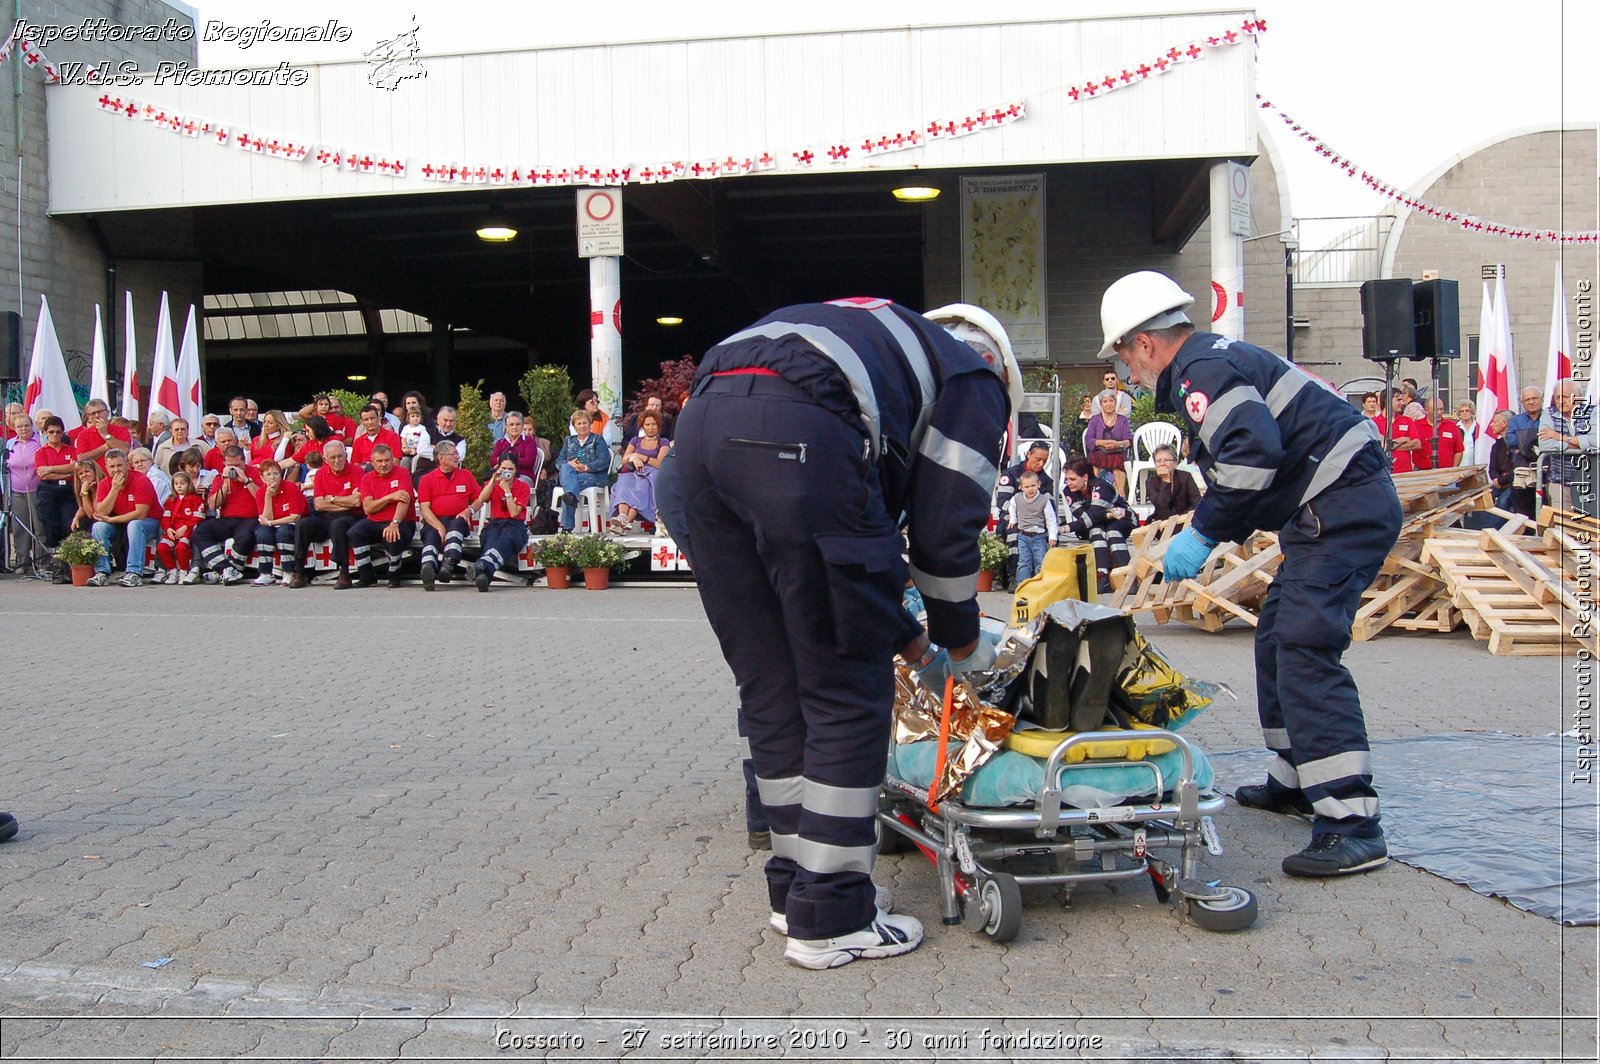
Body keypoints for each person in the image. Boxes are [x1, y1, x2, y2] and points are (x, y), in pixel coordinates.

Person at [663, 297, 1018, 970]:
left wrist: (912, 640)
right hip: (793, 438)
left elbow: (850, 555)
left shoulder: (877, 345)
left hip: (700, 436)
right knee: (847, 690)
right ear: (996, 367)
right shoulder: (972, 381)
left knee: (776, 686)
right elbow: (946, 537)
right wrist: (960, 644)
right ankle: (831, 917)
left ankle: (795, 892)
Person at [1098, 270, 1398, 877]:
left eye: (1126, 358)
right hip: (1336, 504)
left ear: (1145, 343)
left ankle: (1351, 821)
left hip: (1338, 509)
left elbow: (1250, 456)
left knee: (1305, 647)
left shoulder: (1197, 373)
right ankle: (1295, 779)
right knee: (1278, 633)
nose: (1131, 375)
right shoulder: (1215, 359)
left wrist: (1205, 531)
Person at [288, 438, 363, 589]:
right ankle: (299, 572)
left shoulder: (357, 471)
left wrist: (333, 499)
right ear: (325, 459)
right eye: (333, 457)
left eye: (340, 456)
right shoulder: (321, 474)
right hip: (324, 516)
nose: (337, 460)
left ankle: (344, 574)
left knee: (338, 524)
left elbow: (356, 502)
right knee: (303, 524)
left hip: (349, 517)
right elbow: (319, 504)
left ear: (345, 456)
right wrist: (344, 501)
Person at [89, 448, 161, 587]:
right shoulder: (105, 483)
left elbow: (140, 514)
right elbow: (100, 512)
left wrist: (112, 520)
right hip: (120, 523)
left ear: (128, 465)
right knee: (98, 527)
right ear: (106, 468)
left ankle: (134, 573)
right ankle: (102, 572)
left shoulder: (141, 480)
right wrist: (114, 490)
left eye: (119, 465)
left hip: (148, 522)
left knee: (134, 525)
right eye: (112, 466)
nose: (116, 470)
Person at [1060, 457, 1134, 593]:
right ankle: (1102, 576)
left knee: (1112, 532)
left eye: (1072, 479)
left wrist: (1064, 528)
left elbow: (1091, 517)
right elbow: (1084, 517)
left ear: (1085, 477)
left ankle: (1129, 577)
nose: (1068, 483)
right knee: (1096, 531)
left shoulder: (1102, 487)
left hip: (1122, 519)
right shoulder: (1068, 492)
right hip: (1100, 521)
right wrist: (1105, 515)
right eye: (1067, 479)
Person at [192, 445, 263, 585]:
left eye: (237, 465)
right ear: (224, 464)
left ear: (244, 461)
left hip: (250, 518)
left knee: (246, 535)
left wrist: (246, 480)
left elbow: (261, 497)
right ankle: (226, 569)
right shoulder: (220, 477)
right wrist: (225, 485)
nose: (234, 469)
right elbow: (212, 505)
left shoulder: (255, 472)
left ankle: (225, 572)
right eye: (230, 465)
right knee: (200, 531)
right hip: (227, 518)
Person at [347, 444, 414, 588]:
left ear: (392, 460)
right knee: (355, 532)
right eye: (379, 461)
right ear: (372, 463)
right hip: (374, 521)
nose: (384, 464)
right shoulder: (367, 478)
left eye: (387, 460)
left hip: (400, 521)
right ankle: (366, 575)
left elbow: (403, 501)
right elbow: (368, 508)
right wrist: (390, 497)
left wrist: (394, 522)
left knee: (393, 534)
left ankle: (394, 575)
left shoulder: (402, 473)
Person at [415, 439, 480, 590]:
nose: (458, 457)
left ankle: (448, 564)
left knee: (458, 523)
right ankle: (428, 570)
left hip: (457, 519)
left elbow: (479, 498)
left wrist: (468, 510)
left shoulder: (466, 475)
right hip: (434, 520)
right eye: (454, 454)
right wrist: (439, 526)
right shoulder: (427, 479)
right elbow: (424, 508)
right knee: (431, 535)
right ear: (441, 458)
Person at [993, 442, 1053, 591]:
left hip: (1037, 522)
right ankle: (1013, 576)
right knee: (1014, 533)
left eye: (1045, 461)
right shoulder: (1011, 474)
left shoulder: (1046, 481)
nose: (1041, 464)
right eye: (1038, 459)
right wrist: (1021, 516)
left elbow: (1050, 507)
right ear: (1028, 455)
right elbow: (1002, 502)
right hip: (1012, 519)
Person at [472, 455, 531, 591]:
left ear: (516, 470)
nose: (507, 471)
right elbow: (481, 499)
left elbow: (514, 512)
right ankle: (484, 576)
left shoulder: (523, 487)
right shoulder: (493, 483)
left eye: (510, 469)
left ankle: (482, 567)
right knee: (491, 540)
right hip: (496, 522)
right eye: (503, 468)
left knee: (505, 540)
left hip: (515, 524)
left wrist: (507, 491)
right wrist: (493, 480)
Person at [1539, 379, 1596, 512]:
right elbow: (1545, 444)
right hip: (1560, 482)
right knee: (1562, 528)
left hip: (1589, 482)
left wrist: (1561, 437)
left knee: (1589, 528)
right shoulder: (1549, 414)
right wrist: (1579, 445)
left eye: (1565, 396)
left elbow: (1596, 441)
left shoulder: (1593, 412)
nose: (1560, 401)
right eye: (1557, 397)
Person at [609, 410, 669, 534]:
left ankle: (624, 522)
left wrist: (641, 457)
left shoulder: (663, 442)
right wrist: (634, 457)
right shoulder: (635, 440)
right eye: (647, 424)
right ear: (642, 426)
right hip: (633, 473)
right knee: (623, 482)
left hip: (651, 475)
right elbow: (624, 459)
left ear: (658, 425)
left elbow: (660, 464)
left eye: (653, 424)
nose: (651, 427)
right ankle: (622, 517)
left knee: (641, 487)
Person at [4, 411, 49, 574]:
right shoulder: (10, 444)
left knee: (39, 526)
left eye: (26, 425)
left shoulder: (40, 441)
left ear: (32, 426)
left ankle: (42, 562)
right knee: (19, 528)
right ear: (14, 428)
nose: (23, 429)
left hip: (37, 490)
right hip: (16, 492)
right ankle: (22, 562)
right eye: (19, 426)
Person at [252, 460, 307, 586]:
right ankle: (265, 573)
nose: (273, 477)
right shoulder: (261, 492)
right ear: (262, 477)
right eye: (269, 474)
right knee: (262, 533)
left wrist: (271, 523)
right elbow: (265, 518)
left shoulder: (290, 487)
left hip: (292, 524)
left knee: (283, 532)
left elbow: (295, 516)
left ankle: (288, 572)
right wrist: (268, 497)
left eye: (276, 474)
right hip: (274, 523)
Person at [556, 409, 609, 531]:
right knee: (565, 468)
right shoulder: (569, 440)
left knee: (568, 489)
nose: (582, 426)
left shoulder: (598, 440)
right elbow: (559, 461)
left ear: (590, 424)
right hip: (571, 474)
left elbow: (604, 461)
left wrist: (586, 467)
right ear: (574, 426)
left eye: (585, 423)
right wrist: (570, 464)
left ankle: (567, 526)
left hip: (593, 475)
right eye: (579, 423)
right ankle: (571, 496)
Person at [153, 470, 206, 584]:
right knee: (162, 548)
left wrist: (186, 527)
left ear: (189, 484)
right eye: (176, 484)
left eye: (182, 483)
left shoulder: (195, 499)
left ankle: (183, 571)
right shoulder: (171, 500)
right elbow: (165, 517)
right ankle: (172, 571)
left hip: (187, 531)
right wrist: (168, 528)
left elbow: (199, 516)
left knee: (181, 548)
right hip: (173, 530)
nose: (179, 486)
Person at [1005, 470, 1057, 585]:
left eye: (1033, 485)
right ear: (1021, 487)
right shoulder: (1017, 498)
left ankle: (1041, 585)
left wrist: (1053, 536)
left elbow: (1051, 519)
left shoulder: (1044, 500)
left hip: (1039, 536)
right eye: (1027, 486)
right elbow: (1012, 507)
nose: (1030, 489)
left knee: (1040, 562)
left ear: (1039, 484)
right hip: (1023, 535)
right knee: (1024, 562)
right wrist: (1013, 519)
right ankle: (1022, 586)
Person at [33, 416, 78, 549]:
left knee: (68, 524)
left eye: (58, 432)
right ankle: (55, 560)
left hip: (68, 491)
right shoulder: (40, 452)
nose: (55, 435)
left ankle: (69, 557)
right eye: (51, 432)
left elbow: (76, 467)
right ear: (45, 432)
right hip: (48, 490)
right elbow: (43, 475)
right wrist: (67, 472)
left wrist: (51, 468)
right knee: (51, 525)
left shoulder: (71, 450)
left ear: (63, 432)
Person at [1084, 389, 1133, 495]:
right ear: (1101, 404)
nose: (1108, 404)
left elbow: (1128, 440)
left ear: (1115, 403)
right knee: (1094, 460)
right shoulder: (1095, 419)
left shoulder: (1122, 419)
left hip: (1117, 452)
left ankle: (1121, 495)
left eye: (1111, 401)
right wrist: (1102, 443)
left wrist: (1118, 444)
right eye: (1105, 401)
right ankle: (1094, 494)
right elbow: (1089, 439)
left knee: (1118, 462)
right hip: (1099, 452)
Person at [71, 399, 132, 473]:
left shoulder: (121, 430)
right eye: (93, 413)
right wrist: (104, 448)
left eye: (100, 412)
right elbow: (82, 459)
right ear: (89, 417)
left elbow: (124, 450)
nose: (97, 415)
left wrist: (105, 434)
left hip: (119, 474)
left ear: (107, 413)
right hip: (96, 478)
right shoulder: (83, 435)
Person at [1486, 410, 1528, 515]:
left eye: (1495, 422)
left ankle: (1498, 530)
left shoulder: (1519, 444)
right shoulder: (1496, 445)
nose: (1491, 425)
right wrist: (1495, 479)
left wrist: (1500, 481)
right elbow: (1492, 468)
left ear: (1504, 424)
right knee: (1484, 499)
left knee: (1502, 503)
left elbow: (1516, 468)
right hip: (1498, 483)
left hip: (1515, 484)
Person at [1146, 443, 1201, 522]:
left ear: (1175, 463)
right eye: (1158, 461)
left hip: (1185, 520)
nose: (1162, 464)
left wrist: (1180, 519)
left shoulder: (1185, 477)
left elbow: (1196, 503)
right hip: (1162, 522)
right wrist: (1165, 480)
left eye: (1166, 460)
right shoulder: (1151, 481)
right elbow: (1161, 506)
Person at [1373, 390, 1425, 473]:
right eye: (1398, 400)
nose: (1402, 403)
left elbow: (1417, 444)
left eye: (1402, 400)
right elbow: (1379, 448)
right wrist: (1405, 439)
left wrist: (1390, 445)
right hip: (1384, 474)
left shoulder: (1407, 420)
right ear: (1387, 400)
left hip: (1406, 473)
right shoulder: (1374, 423)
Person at [490, 411, 542, 483]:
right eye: (511, 424)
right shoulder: (500, 443)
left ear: (522, 426)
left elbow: (529, 462)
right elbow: (492, 460)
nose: (515, 427)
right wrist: (514, 460)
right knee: (490, 483)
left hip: (523, 475)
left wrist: (506, 460)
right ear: (506, 427)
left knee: (511, 482)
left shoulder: (529, 441)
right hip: (502, 474)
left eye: (518, 424)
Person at [417, 405, 467, 478]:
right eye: (445, 420)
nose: (448, 424)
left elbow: (459, 457)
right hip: (425, 471)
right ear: (438, 419)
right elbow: (421, 450)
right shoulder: (427, 432)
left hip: (449, 474)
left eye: (451, 421)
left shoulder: (460, 440)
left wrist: (435, 449)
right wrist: (449, 454)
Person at [1414, 398, 1465, 470]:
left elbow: (1459, 450)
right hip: (1422, 473)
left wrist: (1453, 469)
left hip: (1446, 472)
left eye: (1441, 409)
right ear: (1426, 411)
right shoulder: (1416, 426)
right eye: (1436, 410)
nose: (1439, 413)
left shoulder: (1452, 426)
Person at [349, 404, 403, 468]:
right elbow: (356, 466)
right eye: (366, 419)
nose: (370, 422)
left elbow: (395, 462)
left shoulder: (392, 436)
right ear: (362, 422)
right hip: (365, 475)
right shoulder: (358, 442)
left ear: (378, 418)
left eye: (372, 418)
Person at [398, 402, 432, 477]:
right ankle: (404, 476)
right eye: (413, 416)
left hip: (417, 451)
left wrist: (416, 449)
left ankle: (414, 475)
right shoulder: (406, 428)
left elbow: (424, 441)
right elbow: (403, 438)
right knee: (404, 460)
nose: (415, 418)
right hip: (407, 451)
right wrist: (404, 446)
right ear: (408, 418)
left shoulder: (422, 428)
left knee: (415, 461)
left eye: (417, 416)